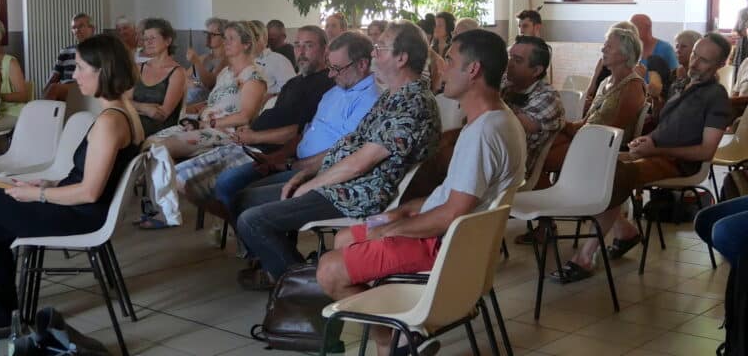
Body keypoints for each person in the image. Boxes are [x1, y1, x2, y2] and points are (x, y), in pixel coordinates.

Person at [316, 30, 526, 356]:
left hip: (443, 246)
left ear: (473, 70)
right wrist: (406, 210)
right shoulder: (499, 120)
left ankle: (395, 341)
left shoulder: (483, 133)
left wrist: (393, 229)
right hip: (451, 238)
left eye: (450, 61)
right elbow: (455, 197)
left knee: (329, 270)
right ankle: (403, 338)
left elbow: (453, 213)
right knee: (345, 238)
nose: (442, 68)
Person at [234, 21, 441, 288]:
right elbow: (350, 144)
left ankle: (308, 286)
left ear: (401, 58)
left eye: (380, 48)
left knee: (252, 220)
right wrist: (306, 172)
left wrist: (311, 184)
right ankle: (296, 275)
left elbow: (360, 162)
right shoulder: (394, 97)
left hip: (356, 193)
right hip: (341, 183)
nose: (374, 54)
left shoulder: (413, 104)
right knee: (248, 200)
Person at [0, 34, 143, 327]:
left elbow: (90, 192)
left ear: (103, 71)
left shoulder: (110, 122)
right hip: (74, 205)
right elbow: (91, 179)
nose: (74, 76)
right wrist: (47, 185)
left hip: (80, 214)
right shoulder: (123, 112)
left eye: (80, 68)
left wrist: (37, 195)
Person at [557, 33, 732, 282]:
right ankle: (624, 230)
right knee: (596, 164)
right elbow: (666, 128)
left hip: (679, 163)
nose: (693, 63)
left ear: (721, 65)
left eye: (703, 60)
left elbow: (706, 151)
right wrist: (646, 139)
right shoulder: (681, 84)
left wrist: (655, 150)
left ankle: (586, 255)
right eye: (694, 54)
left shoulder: (716, 97)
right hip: (655, 152)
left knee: (616, 173)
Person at [171, 26, 333, 210]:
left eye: (308, 45)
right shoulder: (293, 83)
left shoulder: (326, 84)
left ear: (325, 49)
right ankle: (235, 219)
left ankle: (240, 222)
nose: (301, 52)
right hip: (246, 142)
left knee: (223, 183)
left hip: (268, 151)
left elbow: (298, 132)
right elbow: (276, 115)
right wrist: (250, 130)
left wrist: (255, 137)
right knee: (178, 177)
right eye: (297, 45)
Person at [213, 31, 380, 210]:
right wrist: (273, 159)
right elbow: (305, 133)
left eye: (337, 68)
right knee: (229, 185)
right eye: (297, 45)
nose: (331, 74)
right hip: (293, 159)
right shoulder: (335, 91)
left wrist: (289, 165)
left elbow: (343, 153)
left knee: (243, 198)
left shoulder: (370, 100)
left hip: (320, 172)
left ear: (362, 64)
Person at [541, 27, 646, 186]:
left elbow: (614, 131)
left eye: (609, 46)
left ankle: (553, 196)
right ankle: (549, 195)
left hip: (603, 146)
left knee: (542, 158)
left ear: (625, 55)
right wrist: (560, 124)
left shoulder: (633, 86)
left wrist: (568, 128)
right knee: (540, 146)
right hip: (586, 137)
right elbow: (586, 122)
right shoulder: (605, 82)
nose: (603, 49)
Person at [147, 21, 266, 159]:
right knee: (150, 142)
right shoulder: (226, 72)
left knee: (161, 149)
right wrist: (191, 110)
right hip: (203, 124)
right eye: (225, 38)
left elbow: (244, 117)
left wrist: (207, 123)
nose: (225, 42)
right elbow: (215, 102)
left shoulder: (253, 78)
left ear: (246, 44)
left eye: (231, 38)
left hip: (224, 132)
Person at [502, 36, 565, 179]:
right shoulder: (507, 82)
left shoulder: (548, 97)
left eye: (517, 60)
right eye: (510, 57)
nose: (509, 64)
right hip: (494, 158)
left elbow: (506, 129)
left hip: (513, 174)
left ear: (536, 70)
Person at [128, 18, 186, 137]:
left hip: (159, 131)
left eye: (153, 38)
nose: (148, 42)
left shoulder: (177, 72)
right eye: (145, 39)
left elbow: (161, 115)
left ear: (168, 41)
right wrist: (145, 108)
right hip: (133, 124)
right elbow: (124, 101)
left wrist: (135, 106)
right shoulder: (138, 68)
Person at [43, 13, 94, 100]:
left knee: (54, 89)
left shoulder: (100, 50)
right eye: (74, 27)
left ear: (92, 29)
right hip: (65, 90)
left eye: (81, 26)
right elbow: (55, 76)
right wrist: (44, 92)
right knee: (51, 89)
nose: (77, 30)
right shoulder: (65, 51)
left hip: (88, 89)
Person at [185, 17, 228, 111]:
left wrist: (196, 62)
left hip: (203, 107)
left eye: (213, 34)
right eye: (206, 33)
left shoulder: (226, 60)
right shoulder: (203, 57)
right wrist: (196, 83)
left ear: (224, 37)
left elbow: (210, 83)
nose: (208, 37)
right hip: (188, 101)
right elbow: (183, 77)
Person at [249, 20, 296, 99]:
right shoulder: (240, 59)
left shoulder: (280, 59)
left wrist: (270, 96)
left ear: (264, 38)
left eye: (255, 37)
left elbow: (292, 91)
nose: (250, 40)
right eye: (246, 36)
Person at [669, 30, 702, 98]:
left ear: (696, 50)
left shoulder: (702, 76)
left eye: (683, 46)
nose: (678, 50)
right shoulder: (674, 73)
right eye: (677, 46)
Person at [731, 0, 748, 80]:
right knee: (738, 77)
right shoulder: (742, 12)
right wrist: (737, 34)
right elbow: (734, 30)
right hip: (742, 49)